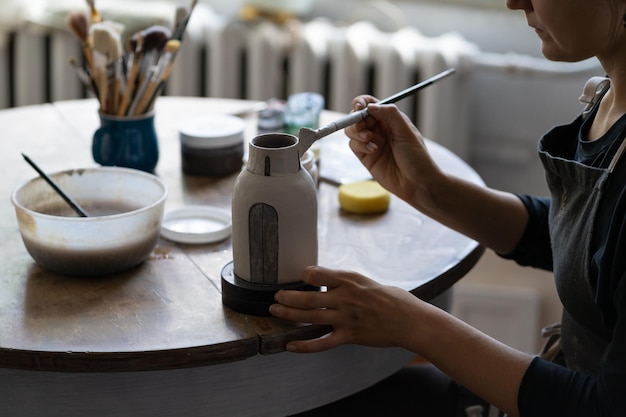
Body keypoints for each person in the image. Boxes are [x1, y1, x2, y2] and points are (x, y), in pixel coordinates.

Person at [269, 0, 626, 416]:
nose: (514, 2)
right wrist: (430, 189)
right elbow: (585, 249)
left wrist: (413, 324)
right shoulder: (608, 96)